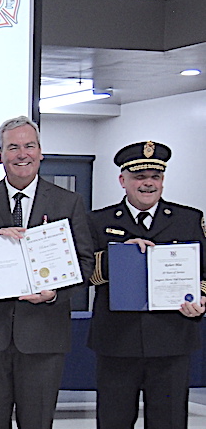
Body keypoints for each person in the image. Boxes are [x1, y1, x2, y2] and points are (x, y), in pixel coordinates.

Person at [0, 115, 94, 428]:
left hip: (43, 338)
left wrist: (54, 294)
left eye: (29, 146)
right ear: (0, 155)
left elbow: (85, 262)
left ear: (40, 152)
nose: (21, 154)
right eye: (13, 147)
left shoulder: (68, 202)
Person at [88, 141, 206, 428]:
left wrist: (201, 300)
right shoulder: (97, 221)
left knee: (169, 421)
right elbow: (84, 273)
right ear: (123, 180)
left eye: (155, 176)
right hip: (117, 341)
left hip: (172, 339)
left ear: (163, 181)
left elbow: (204, 272)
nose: (148, 183)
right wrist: (120, 257)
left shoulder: (189, 219)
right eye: (139, 177)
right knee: (114, 421)